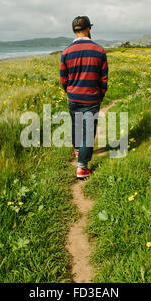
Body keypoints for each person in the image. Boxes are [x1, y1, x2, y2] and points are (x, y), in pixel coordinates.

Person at [60, 16, 108, 179]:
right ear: (88, 29)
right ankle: (82, 167)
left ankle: (77, 150)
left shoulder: (66, 52)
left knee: (76, 124)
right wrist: (100, 95)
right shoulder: (99, 50)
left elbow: (63, 78)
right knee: (88, 131)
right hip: (91, 97)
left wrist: (70, 91)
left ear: (74, 30)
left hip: (73, 96)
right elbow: (103, 78)